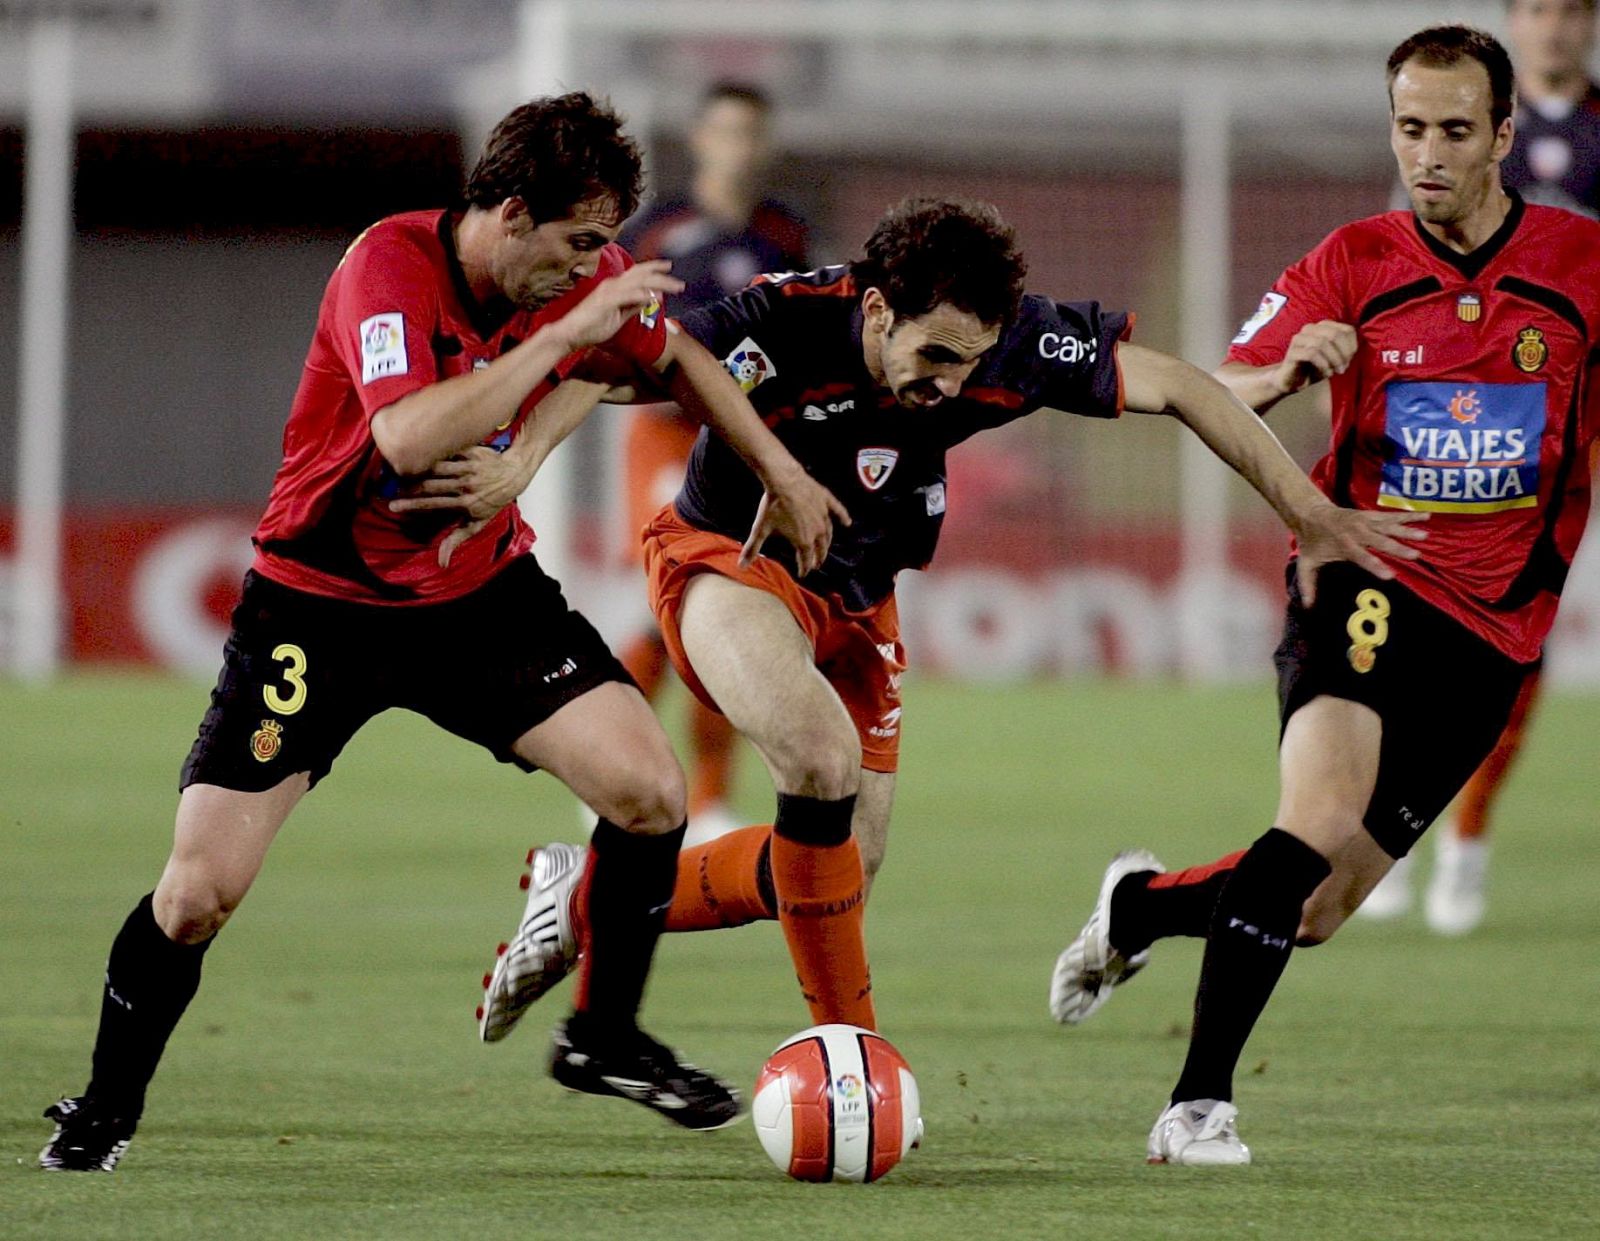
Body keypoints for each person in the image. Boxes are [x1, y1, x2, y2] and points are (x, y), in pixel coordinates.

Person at [37, 91, 848, 1172]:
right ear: (510, 215)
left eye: (600, 246)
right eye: (576, 243)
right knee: (197, 895)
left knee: (650, 792)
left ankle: (601, 1035)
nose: (591, 266)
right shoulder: (389, 265)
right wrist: (566, 339)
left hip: (477, 596)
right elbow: (410, 436)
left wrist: (779, 469)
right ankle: (105, 1106)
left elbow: (680, 357)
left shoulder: (575, 274)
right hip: (318, 608)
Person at [468, 197, 1424, 1049]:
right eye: (934, 357)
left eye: (970, 363)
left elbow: (1180, 386)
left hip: (861, 593)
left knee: (842, 867)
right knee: (820, 759)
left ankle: (585, 898)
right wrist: (521, 456)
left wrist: (1306, 507)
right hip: (730, 559)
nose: (952, 386)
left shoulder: (1007, 342)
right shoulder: (781, 320)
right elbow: (625, 361)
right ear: (878, 310)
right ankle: (853, 1057)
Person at [1049, 25, 1600, 1165]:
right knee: (1315, 821)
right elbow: (1210, 387)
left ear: (1505, 133)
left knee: (1315, 905)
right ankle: (1196, 1106)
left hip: (1499, 625)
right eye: (1410, 129)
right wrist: (1289, 367)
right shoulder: (1350, 260)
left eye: (1456, 130)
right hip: (1360, 576)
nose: (1429, 154)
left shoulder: (1580, 264)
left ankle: (1141, 906)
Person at [1363, 0, 1599, 933]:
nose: (1555, 26)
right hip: (1463, 411)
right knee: (1415, 619)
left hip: (1572, 424)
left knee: (1523, 631)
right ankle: (1389, 829)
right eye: (1537, 8)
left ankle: (1466, 833)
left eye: (1572, 9)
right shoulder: (1453, 127)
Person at [612, 81, 812, 842]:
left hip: (744, 442)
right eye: (726, 131)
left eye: (751, 133)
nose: (739, 147)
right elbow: (620, 327)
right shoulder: (657, 232)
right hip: (668, 437)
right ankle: (614, 769)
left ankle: (709, 800)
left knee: (724, 609)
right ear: (700, 139)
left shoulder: (786, 236)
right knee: (676, 603)